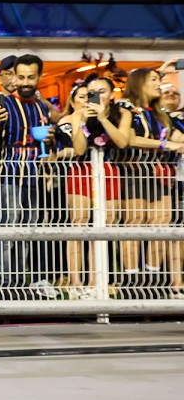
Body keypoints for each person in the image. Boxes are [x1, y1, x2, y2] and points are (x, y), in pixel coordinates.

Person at [0, 54, 61, 300]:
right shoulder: (3, 104)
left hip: (33, 176)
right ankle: (6, 286)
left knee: (27, 231)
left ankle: (20, 283)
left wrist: (51, 140)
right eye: (21, 77)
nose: (25, 82)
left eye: (30, 77)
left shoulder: (40, 106)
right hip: (7, 177)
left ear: (39, 77)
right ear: (14, 76)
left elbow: (54, 135)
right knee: (7, 231)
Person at [63, 75, 129, 298]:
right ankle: (75, 283)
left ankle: (96, 281)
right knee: (79, 224)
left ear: (111, 95)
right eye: (93, 91)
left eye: (102, 91)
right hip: (81, 170)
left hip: (109, 170)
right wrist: (81, 122)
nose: (97, 95)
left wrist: (103, 119)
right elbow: (80, 149)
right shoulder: (77, 115)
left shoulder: (123, 114)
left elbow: (122, 141)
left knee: (105, 226)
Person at [118, 67, 183, 296]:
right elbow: (127, 139)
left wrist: (177, 142)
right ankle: (132, 281)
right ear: (139, 83)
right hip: (134, 170)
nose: (160, 84)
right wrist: (163, 145)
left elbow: (175, 136)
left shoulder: (160, 113)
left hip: (160, 173)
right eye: (154, 80)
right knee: (134, 225)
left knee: (161, 225)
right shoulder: (126, 107)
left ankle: (153, 279)